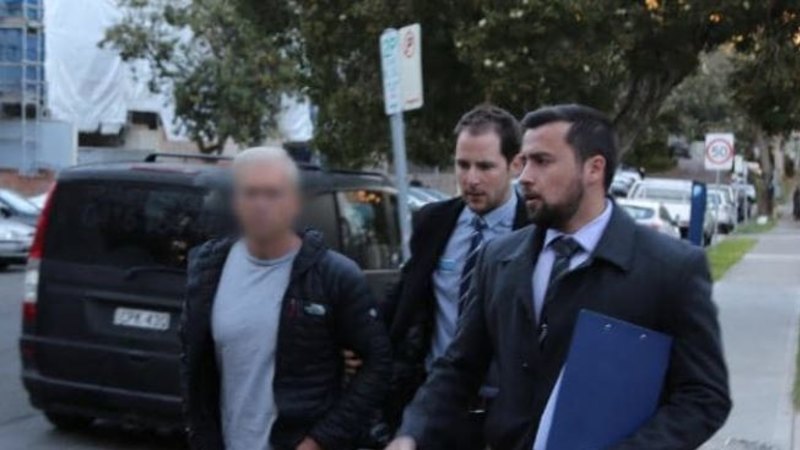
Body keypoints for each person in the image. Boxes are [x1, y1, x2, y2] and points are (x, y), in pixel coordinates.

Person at [386, 104, 731, 450]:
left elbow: (704, 397)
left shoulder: (670, 268)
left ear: (594, 168)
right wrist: (411, 433)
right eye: (524, 161)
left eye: (542, 161)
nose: (525, 176)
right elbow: (459, 367)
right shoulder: (499, 258)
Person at [180, 146, 392, 450]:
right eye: (250, 193)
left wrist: (320, 440)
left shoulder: (332, 275)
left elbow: (378, 363)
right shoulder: (208, 268)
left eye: (272, 193)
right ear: (236, 202)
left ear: (294, 202)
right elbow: (192, 361)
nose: (261, 204)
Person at [385, 105, 530, 448]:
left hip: (507, 418)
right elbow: (405, 299)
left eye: (485, 166)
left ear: (515, 165)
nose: (471, 179)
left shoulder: (537, 230)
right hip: (437, 411)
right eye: (463, 165)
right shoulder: (434, 222)